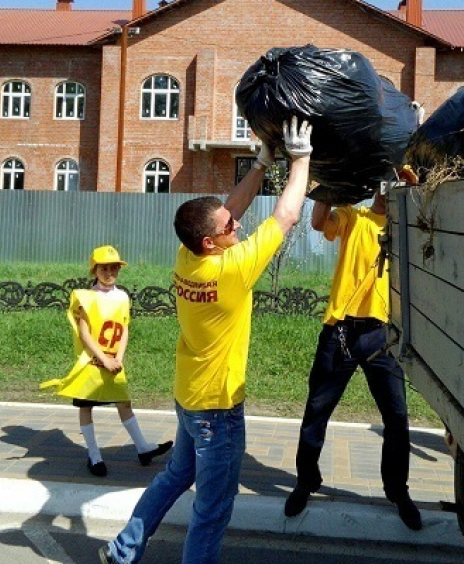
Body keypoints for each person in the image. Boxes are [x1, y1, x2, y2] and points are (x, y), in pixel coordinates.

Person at [99, 116, 313, 564]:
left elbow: (225, 212)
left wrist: (259, 164)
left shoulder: (189, 254)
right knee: (212, 510)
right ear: (213, 243)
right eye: (230, 228)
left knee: (175, 476)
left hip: (189, 395)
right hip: (216, 407)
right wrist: (301, 158)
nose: (237, 226)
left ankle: (122, 552)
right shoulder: (231, 271)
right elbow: (288, 214)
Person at [283, 188, 422, 531]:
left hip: (382, 335)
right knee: (317, 408)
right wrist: (329, 188)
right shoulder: (353, 217)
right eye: (383, 185)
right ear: (374, 188)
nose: (387, 192)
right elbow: (318, 222)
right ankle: (306, 480)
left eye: (393, 184)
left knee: (397, 416)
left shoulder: (406, 227)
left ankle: (397, 490)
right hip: (341, 332)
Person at [40, 245, 173, 477]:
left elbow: (124, 328)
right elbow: (84, 333)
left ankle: (142, 448)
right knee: (86, 405)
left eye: (114, 268)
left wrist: (119, 358)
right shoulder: (86, 297)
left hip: (114, 360)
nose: (109, 272)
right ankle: (94, 454)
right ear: (94, 270)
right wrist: (103, 358)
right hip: (91, 363)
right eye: (104, 268)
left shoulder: (122, 296)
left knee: (124, 403)